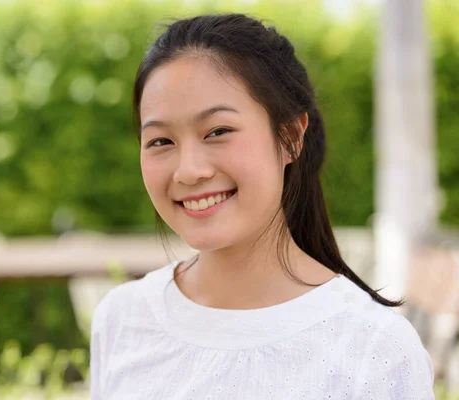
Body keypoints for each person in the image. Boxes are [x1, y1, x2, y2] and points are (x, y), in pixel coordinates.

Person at [89, 13, 435, 399]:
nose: (188, 171)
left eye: (218, 131)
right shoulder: (122, 320)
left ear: (289, 137)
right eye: (160, 141)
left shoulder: (374, 350)